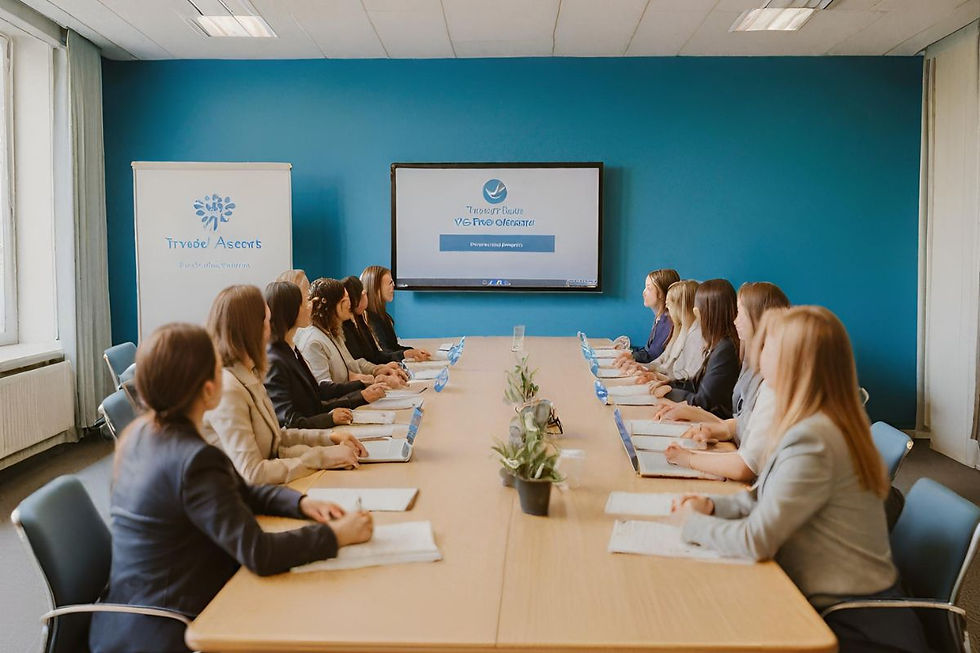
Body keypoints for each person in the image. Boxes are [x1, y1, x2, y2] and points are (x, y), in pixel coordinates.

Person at [88, 323, 373, 653]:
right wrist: (337, 536)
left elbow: (241, 490)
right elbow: (259, 553)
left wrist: (300, 505)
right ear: (209, 389)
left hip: (133, 610)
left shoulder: (140, 435)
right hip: (169, 626)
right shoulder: (193, 459)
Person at [670, 306, 927, 653]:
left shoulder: (814, 438)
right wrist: (712, 504)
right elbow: (760, 497)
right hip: (836, 605)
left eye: (769, 345)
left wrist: (691, 524)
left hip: (853, 627)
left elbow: (756, 540)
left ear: (794, 360)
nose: (759, 353)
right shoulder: (817, 421)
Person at [201, 285, 368, 485]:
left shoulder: (249, 375)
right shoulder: (229, 390)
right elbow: (253, 472)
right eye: (266, 320)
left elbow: (276, 440)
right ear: (251, 329)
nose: (270, 327)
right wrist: (323, 458)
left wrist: (329, 440)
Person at [264, 281, 387, 429]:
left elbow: (317, 398)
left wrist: (362, 393)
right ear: (291, 310)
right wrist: (330, 419)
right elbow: (290, 421)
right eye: (305, 304)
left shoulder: (291, 350)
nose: (311, 307)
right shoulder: (276, 360)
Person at [648, 279, 741, 418]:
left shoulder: (726, 350)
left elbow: (703, 401)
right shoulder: (720, 344)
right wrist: (670, 384)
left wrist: (668, 392)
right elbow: (695, 383)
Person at [297, 277, 408, 388]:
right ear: (330, 306)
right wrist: (374, 381)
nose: (349, 303)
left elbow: (352, 364)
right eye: (344, 300)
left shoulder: (333, 334)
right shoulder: (314, 342)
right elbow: (325, 388)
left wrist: (378, 370)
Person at [342, 276, 428, 364]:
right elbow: (369, 360)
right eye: (390, 283)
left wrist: (409, 353)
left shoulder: (360, 319)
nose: (394, 286)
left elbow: (376, 356)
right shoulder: (357, 323)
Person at [631, 279, 703, 382]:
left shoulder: (696, 337)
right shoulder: (680, 330)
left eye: (669, 305)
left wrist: (652, 374)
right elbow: (662, 360)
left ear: (681, 307)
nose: (667, 308)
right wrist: (642, 367)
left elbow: (684, 378)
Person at [361, 265, 432, 361]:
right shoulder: (369, 319)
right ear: (377, 289)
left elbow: (393, 347)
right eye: (390, 283)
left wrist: (414, 352)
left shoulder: (383, 317)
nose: (393, 285)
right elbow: (384, 353)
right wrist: (408, 353)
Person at [614, 268, 680, 367]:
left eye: (649, 288)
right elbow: (648, 350)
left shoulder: (667, 321)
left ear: (662, 293)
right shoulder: (661, 317)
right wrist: (627, 351)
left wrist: (629, 355)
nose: (643, 292)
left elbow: (652, 356)